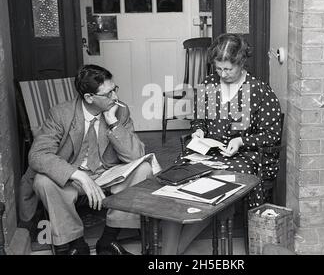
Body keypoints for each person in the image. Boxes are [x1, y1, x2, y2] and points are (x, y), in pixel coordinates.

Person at [160, 33, 282, 254]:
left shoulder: (259, 91)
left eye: (228, 69)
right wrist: (198, 131)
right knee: (179, 176)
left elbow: (272, 135)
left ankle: (170, 253)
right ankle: (169, 251)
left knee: (216, 188)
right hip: (209, 152)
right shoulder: (208, 84)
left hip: (244, 156)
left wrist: (242, 140)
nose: (222, 74)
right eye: (218, 69)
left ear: (241, 62)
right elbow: (199, 119)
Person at [27, 64, 153, 255]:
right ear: (89, 97)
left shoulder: (121, 110)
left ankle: (108, 240)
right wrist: (78, 175)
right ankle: (77, 245)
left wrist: (113, 123)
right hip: (73, 174)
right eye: (108, 94)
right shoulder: (61, 114)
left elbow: (135, 155)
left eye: (115, 90)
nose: (115, 97)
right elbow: (37, 155)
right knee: (43, 181)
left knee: (143, 169)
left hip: (108, 172)